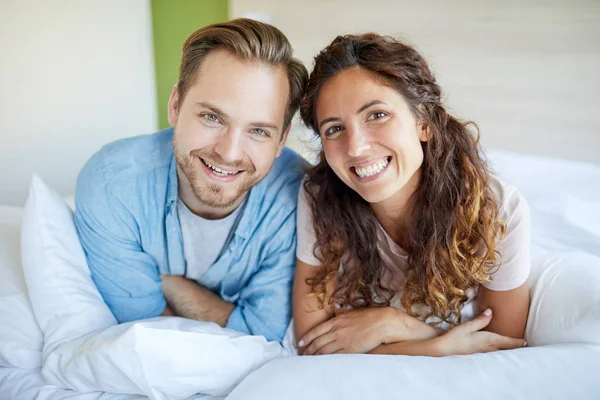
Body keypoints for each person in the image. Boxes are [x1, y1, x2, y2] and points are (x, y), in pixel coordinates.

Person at [293, 33, 530, 356]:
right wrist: (438, 345)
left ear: (424, 123)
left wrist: (393, 325)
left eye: (377, 115)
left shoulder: (496, 208)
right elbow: (312, 344)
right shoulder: (320, 196)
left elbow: (500, 347)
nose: (356, 147)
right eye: (334, 129)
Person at [74, 18, 308, 343]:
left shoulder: (302, 198)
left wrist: (168, 284)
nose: (229, 152)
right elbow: (146, 332)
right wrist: (225, 315)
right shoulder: (111, 186)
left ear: (281, 140)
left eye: (258, 131)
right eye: (212, 117)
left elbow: (260, 336)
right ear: (175, 105)